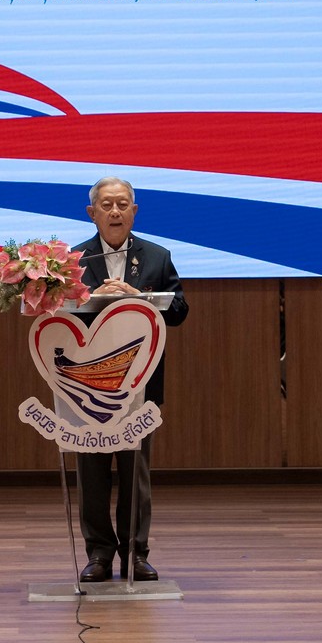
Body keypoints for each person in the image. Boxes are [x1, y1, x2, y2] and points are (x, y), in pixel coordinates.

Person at [71, 176, 189, 583]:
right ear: (92, 213)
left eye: (123, 204)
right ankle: (99, 554)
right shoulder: (73, 261)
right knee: (92, 471)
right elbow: (57, 313)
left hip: (140, 380)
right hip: (86, 383)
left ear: (134, 212)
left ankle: (136, 553)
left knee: (135, 471)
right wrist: (93, 300)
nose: (115, 211)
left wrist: (138, 300)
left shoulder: (157, 256)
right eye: (107, 205)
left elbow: (179, 311)